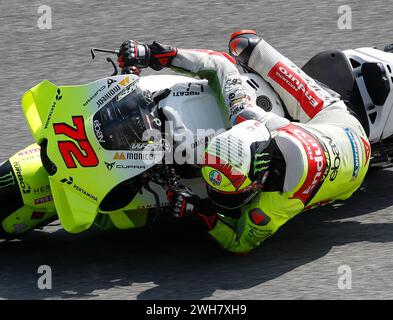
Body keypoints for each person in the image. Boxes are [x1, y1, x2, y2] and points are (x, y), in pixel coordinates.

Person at [117, 30, 371, 254]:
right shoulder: (251, 118)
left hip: (345, 139)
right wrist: (159, 54)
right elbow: (220, 65)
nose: (217, 197)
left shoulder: (277, 202)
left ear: (258, 181)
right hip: (321, 127)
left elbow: (240, 242)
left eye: (228, 196)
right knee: (244, 43)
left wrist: (205, 212)